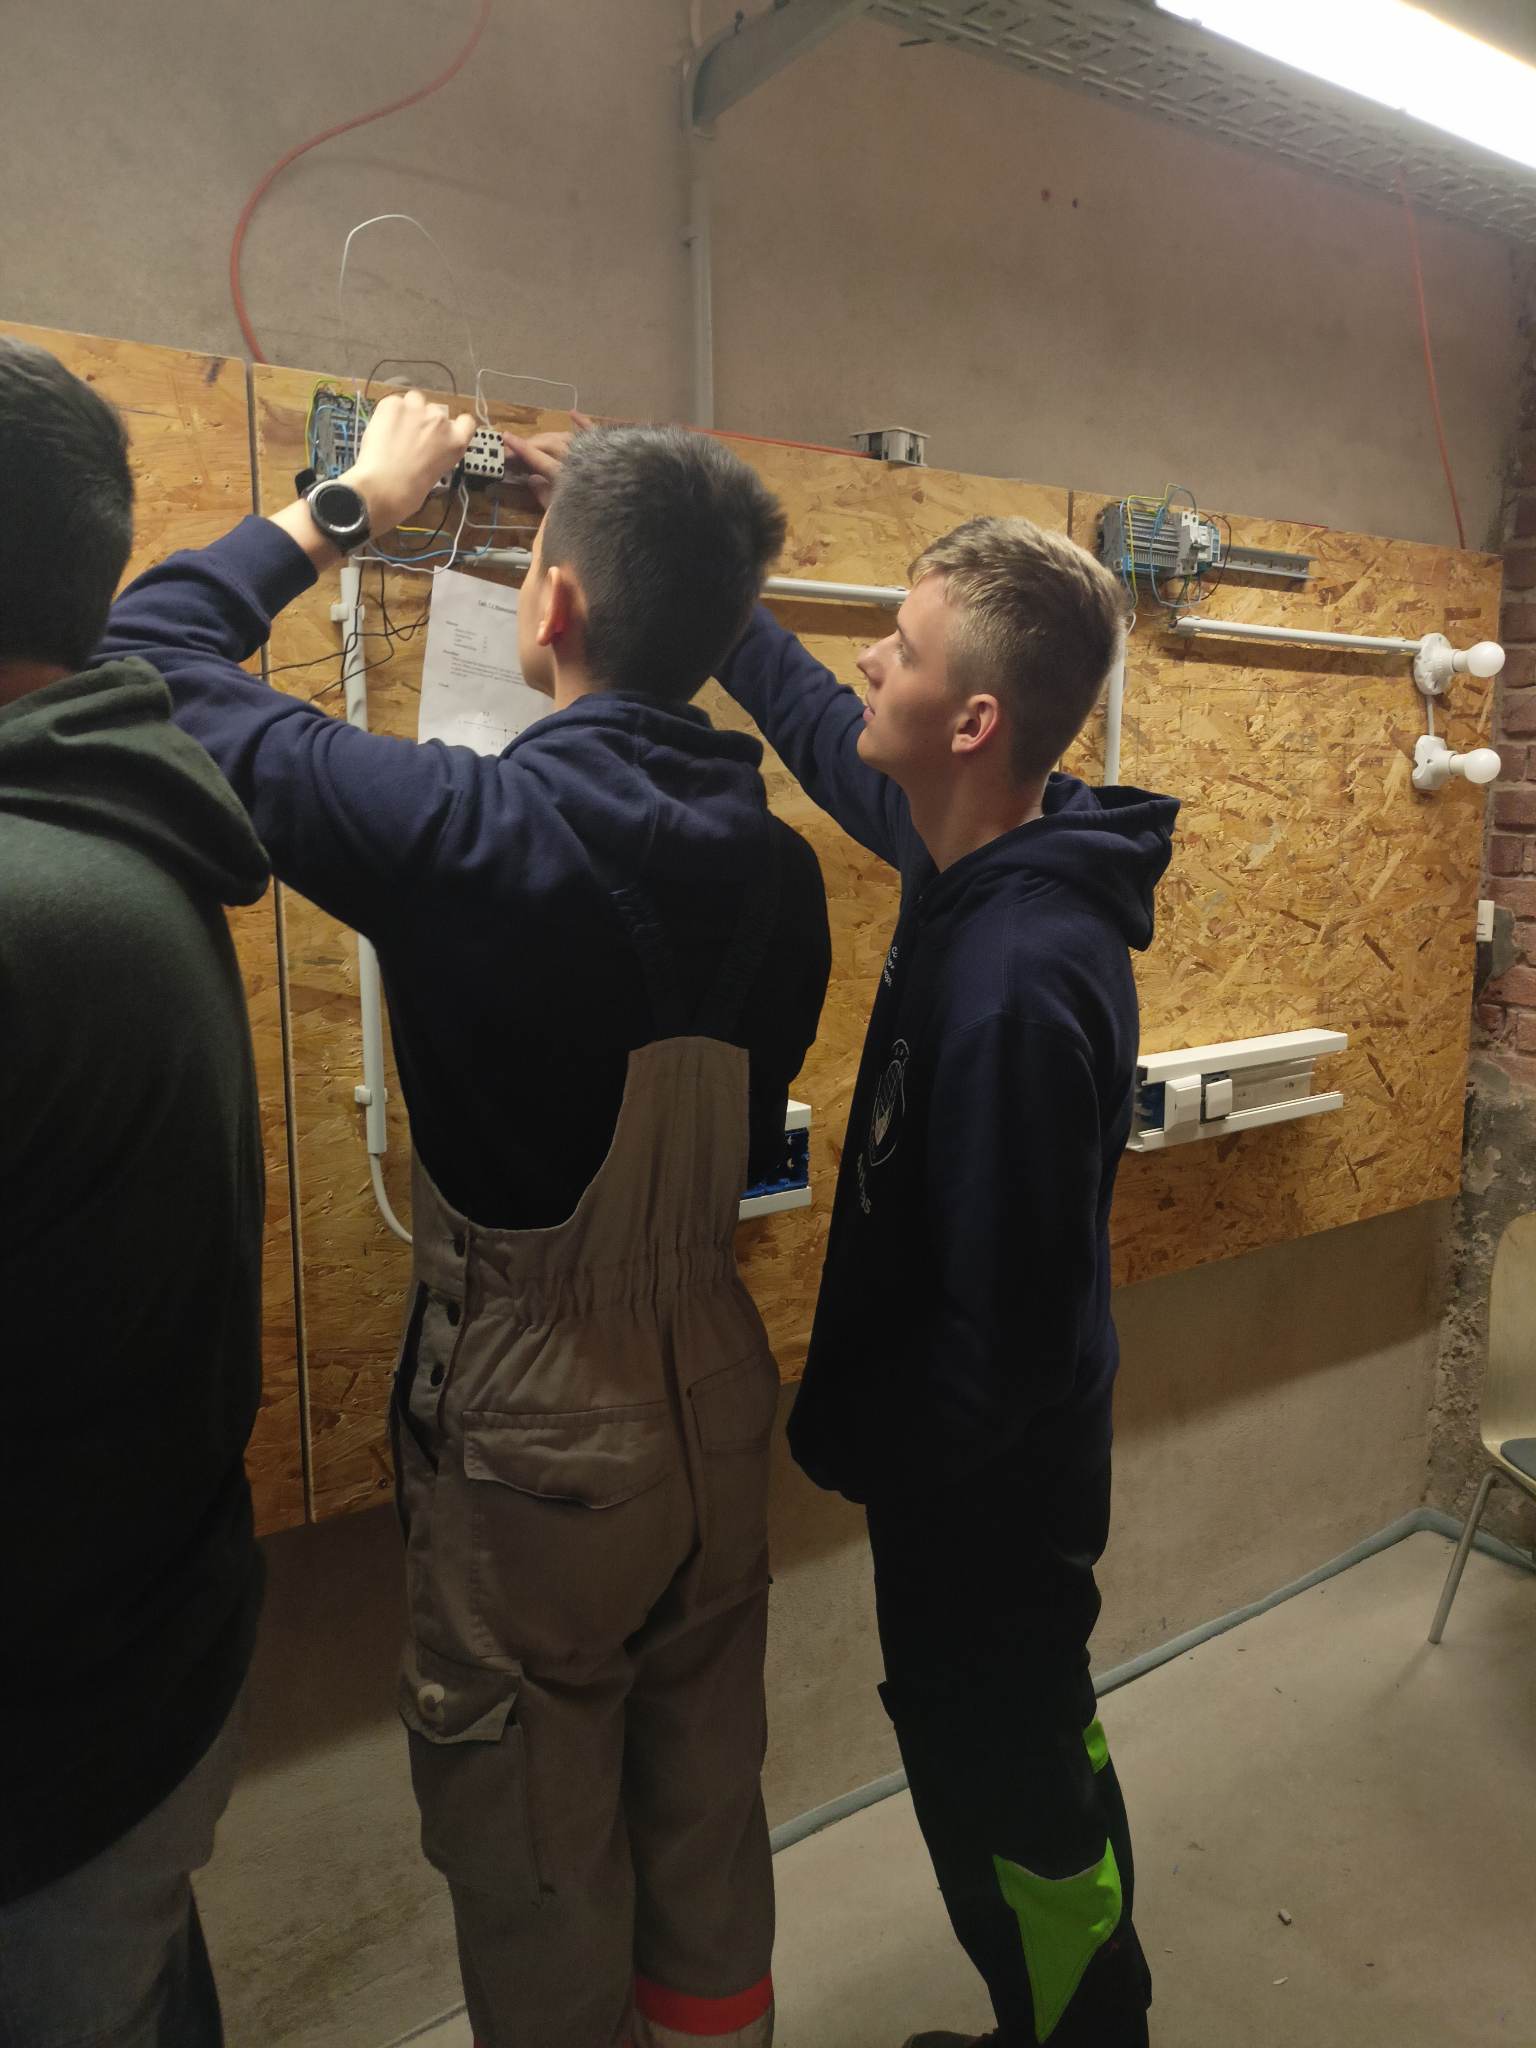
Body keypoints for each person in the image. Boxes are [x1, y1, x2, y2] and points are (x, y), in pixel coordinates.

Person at [98, 395, 831, 2048]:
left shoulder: (464, 830)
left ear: (549, 604)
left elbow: (145, 654)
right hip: (719, 1388)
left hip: (535, 1431)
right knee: (706, 1813)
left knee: (538, 1857)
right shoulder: (780, 874)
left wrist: (351, 501)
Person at [528, 418, 1173, 2048]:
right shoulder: (972, 852)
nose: (867, 661)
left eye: (899, 644)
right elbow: (824, 728)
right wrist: (687, 569)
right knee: (1013, 1778)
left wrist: (887, 1457)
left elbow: (1011, 1337)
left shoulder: (1019, 978)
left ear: (971, 721)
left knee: (1015, 1810)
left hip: (989, 1513)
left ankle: (1086, 2036)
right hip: (970, 1494)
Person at [0, 339, 269, 2043]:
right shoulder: (121, 829)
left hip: (47, 1759)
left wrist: (332, 514)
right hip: (136, 1693)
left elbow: (165, 633)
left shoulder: (28, 896)